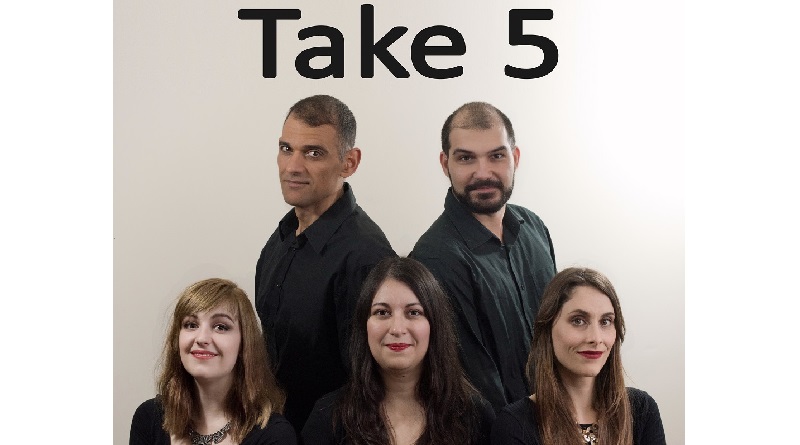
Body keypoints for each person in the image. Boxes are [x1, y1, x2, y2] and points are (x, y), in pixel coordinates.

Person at [255, 94, 397, 433]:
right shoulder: (281, 238)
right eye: (286, 149)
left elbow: (371, 387)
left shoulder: (366, 256)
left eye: (313, 153)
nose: (292, 167)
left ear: (349, 163)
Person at [409, 101, 557, 412]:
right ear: (445, 163)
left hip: (559, 418)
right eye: (466, 158)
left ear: (515, 158)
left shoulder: (534, 228)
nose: (483, 173)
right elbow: (473, 387)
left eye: (496, 156)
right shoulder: (434, 259)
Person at [301, 257, 495, 445]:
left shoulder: (476, 416)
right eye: (382, 312)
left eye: (413, 312)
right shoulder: (327, 419)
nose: (397, 329)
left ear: (435, 325)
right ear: (363, 325)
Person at [490, 267, 667, 445]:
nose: (596, 338)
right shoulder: (515, 425)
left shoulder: (641, 411)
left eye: (605, 321)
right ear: (548, 328)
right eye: (578, 320)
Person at [129, 278, 296, 445]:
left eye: (221, 327)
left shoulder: (274, 435)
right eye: (191, 325)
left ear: (244, 344)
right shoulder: (149, 418)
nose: (202, 338)